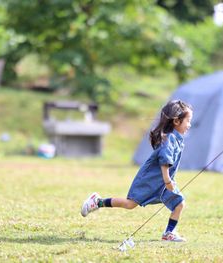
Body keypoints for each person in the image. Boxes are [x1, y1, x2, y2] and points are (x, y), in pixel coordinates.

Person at [81, 100, 193, 242]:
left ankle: (169, 233)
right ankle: (97, 202)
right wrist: (167, 180)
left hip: (164, 184)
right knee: (130, 204)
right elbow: (164, 160)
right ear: (177, 121)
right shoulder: (170, 138)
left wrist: (168, 181)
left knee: (179, 203)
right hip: (150, 180)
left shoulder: (177, 139)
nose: (189, 125)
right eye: (188, 121)